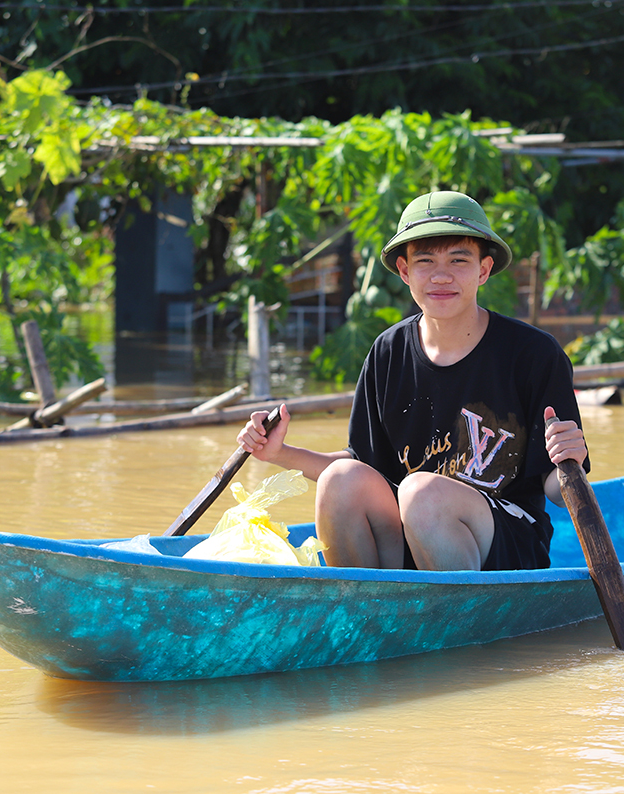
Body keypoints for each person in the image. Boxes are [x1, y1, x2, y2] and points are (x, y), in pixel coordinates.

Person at [237, 190, 589, 571]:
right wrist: (279, 454)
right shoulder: (388, 352)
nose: (441, 276)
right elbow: (362, 466)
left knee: (423, 492)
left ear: (483, 270)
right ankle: (372, 612)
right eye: (425, 261)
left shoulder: (533, 355)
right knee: (341, 479)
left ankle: (459, 617)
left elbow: (556, 490)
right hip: (409, 535)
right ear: (405, 272)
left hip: (505, 541)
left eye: (459, 260)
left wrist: (570, 459)